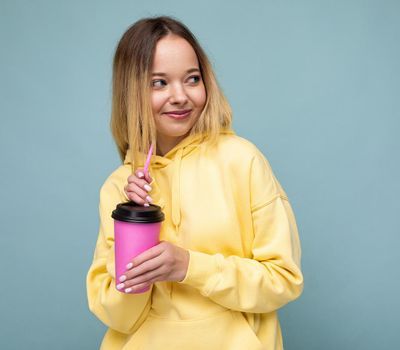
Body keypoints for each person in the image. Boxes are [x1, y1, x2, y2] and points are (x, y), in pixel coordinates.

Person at [85, 16, 303, 350]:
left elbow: (283, 281)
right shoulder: (118, 188)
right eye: (159, 82)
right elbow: (119, 318)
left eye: (192, 79)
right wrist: (133, 225)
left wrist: (189, 266)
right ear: (131, 90)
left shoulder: (242, 161)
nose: (180, 96)